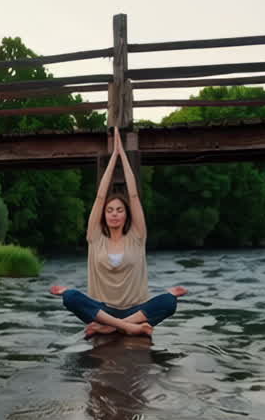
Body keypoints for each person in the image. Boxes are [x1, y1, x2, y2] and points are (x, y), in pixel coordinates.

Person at [49, 128, 186, 337]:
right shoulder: (95, 238)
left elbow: (133, 196)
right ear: (104, 215)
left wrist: (123, 155)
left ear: (126, 215)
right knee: (70, 297)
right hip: (101, 309)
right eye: (110, 210)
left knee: (169, 302)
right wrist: (113, 157)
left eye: (119, 210)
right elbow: (100, 196)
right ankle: (129, 327)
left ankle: (111, 327)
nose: (114, 214)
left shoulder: (137, 237)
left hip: (134, 309)